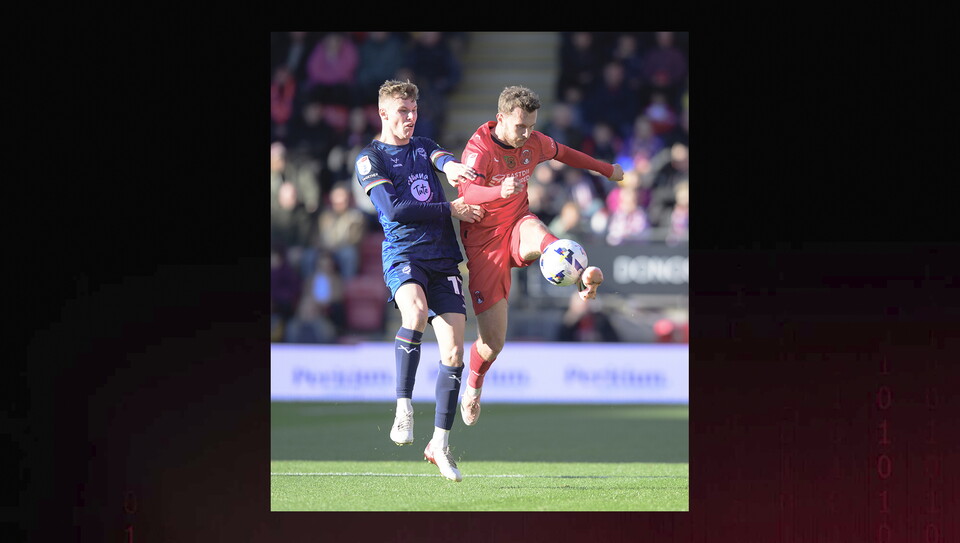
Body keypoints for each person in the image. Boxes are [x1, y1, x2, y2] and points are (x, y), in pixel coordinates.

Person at [454, 85, 624, 426]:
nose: (527, 133)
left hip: (518, 223)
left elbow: (565, 153)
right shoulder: (479, 148)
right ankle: (472, 387)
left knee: (544, 236)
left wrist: (605, 169)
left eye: (532, 125)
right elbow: (467, 190)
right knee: (492, 344)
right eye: (520, 126)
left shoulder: (532, 140)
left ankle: (577, 275)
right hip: (485, 246)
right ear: (501, 118)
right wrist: (496, 190)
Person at [354, 79, 483, 482]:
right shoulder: (369, 158)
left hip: (443, 258)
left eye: (414, 111)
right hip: (405, 255)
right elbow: (392, 209)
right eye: (402, 112)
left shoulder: (424, 146)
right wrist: (450, 208)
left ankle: (439, 445)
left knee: (455, 354)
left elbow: (443, 159)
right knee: (415, 311)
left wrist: (454, 167)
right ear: (384, 113)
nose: (410, 118)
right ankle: (403, 407)